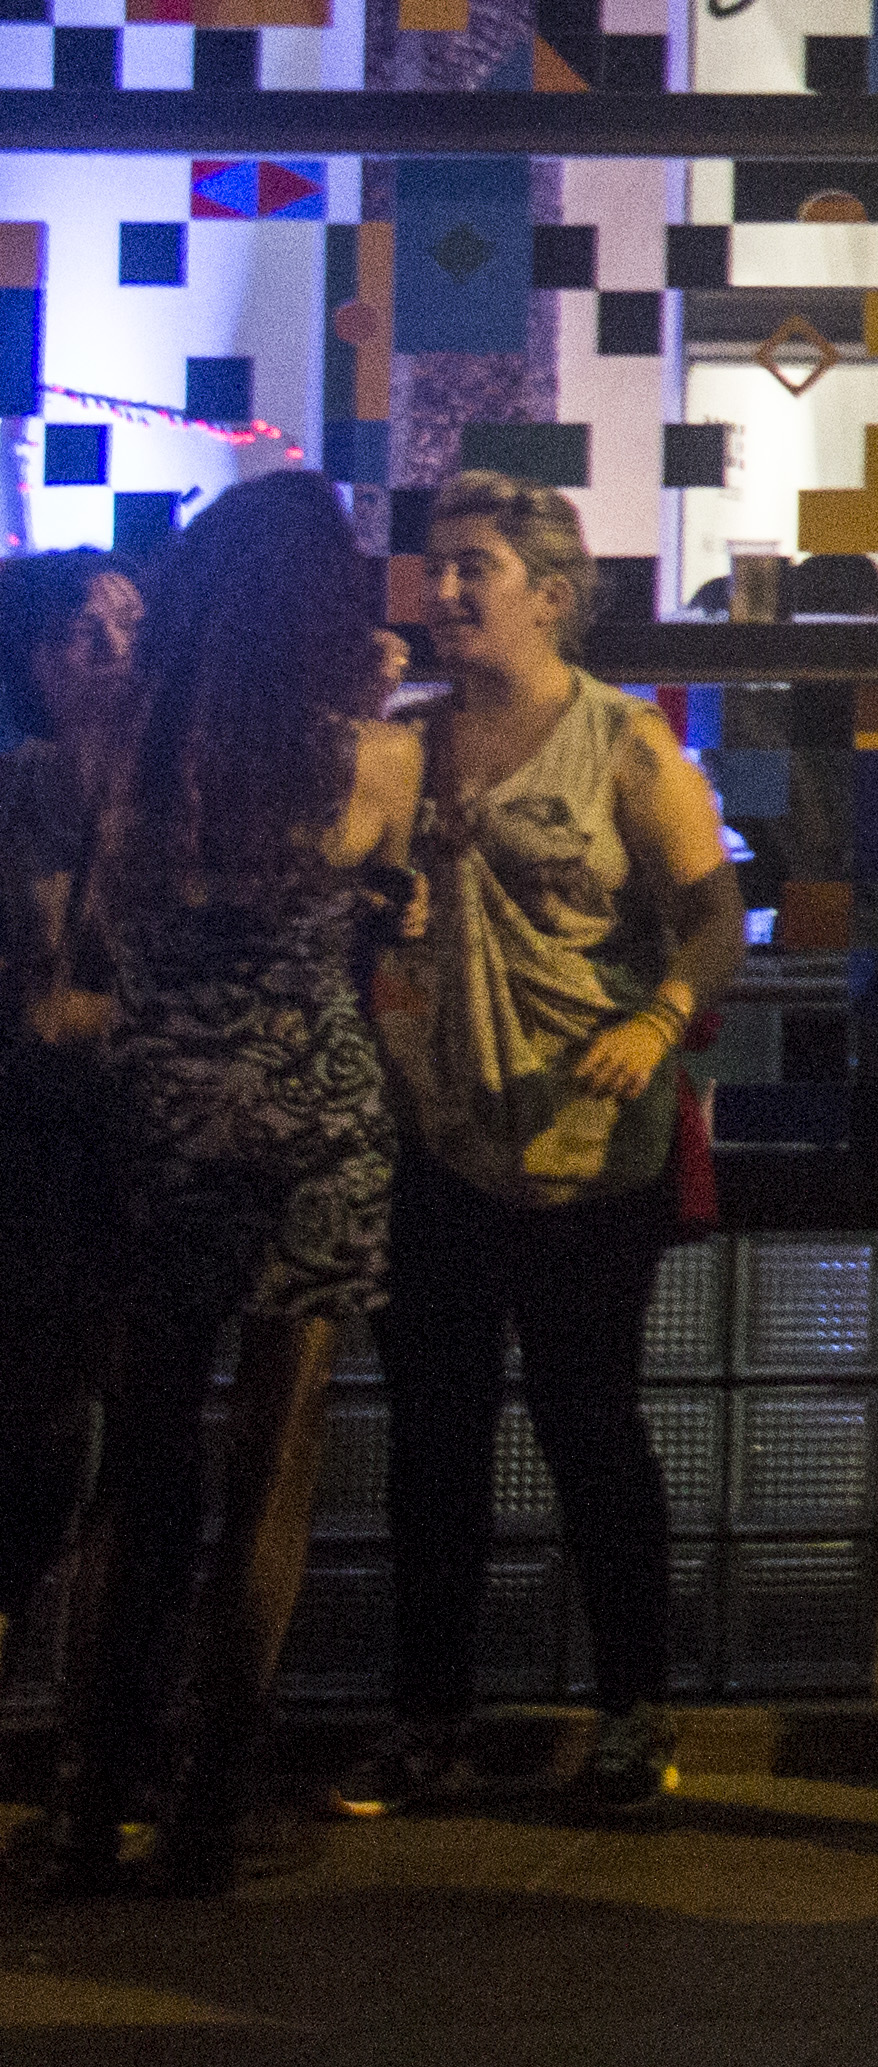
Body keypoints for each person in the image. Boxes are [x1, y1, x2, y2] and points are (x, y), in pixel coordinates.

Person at [318, 476, 742, 1823]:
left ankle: (634, 1712)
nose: (444, 593)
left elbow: (715, 912)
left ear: (551, 597)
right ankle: (429, 1718)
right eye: (435, 567)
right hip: (431, 1134)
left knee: (590, 1429)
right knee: (432, 1440)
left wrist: (662, 1016)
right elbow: (325, 869)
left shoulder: (624, 748)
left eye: (474, 569)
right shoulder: (404, 744)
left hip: (582, 1142)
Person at [40, 474, 420, 1893]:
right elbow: (381, 887)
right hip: (314, 1124)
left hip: (156, 1129)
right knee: (274, 1468)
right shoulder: (376, 764)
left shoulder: (127, 747)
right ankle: (212, 1796)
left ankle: (89, 1795)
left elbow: (92, 941)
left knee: (139, 1466)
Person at [0, 548, 138, 1679]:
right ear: (37, 661)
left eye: (131, 624)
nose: (113, 649)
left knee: (136, 1415)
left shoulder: (183, 793)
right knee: (39, 1401)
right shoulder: (19, 795)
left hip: (153, 1134)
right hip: (37, 1140)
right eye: (83, 632)